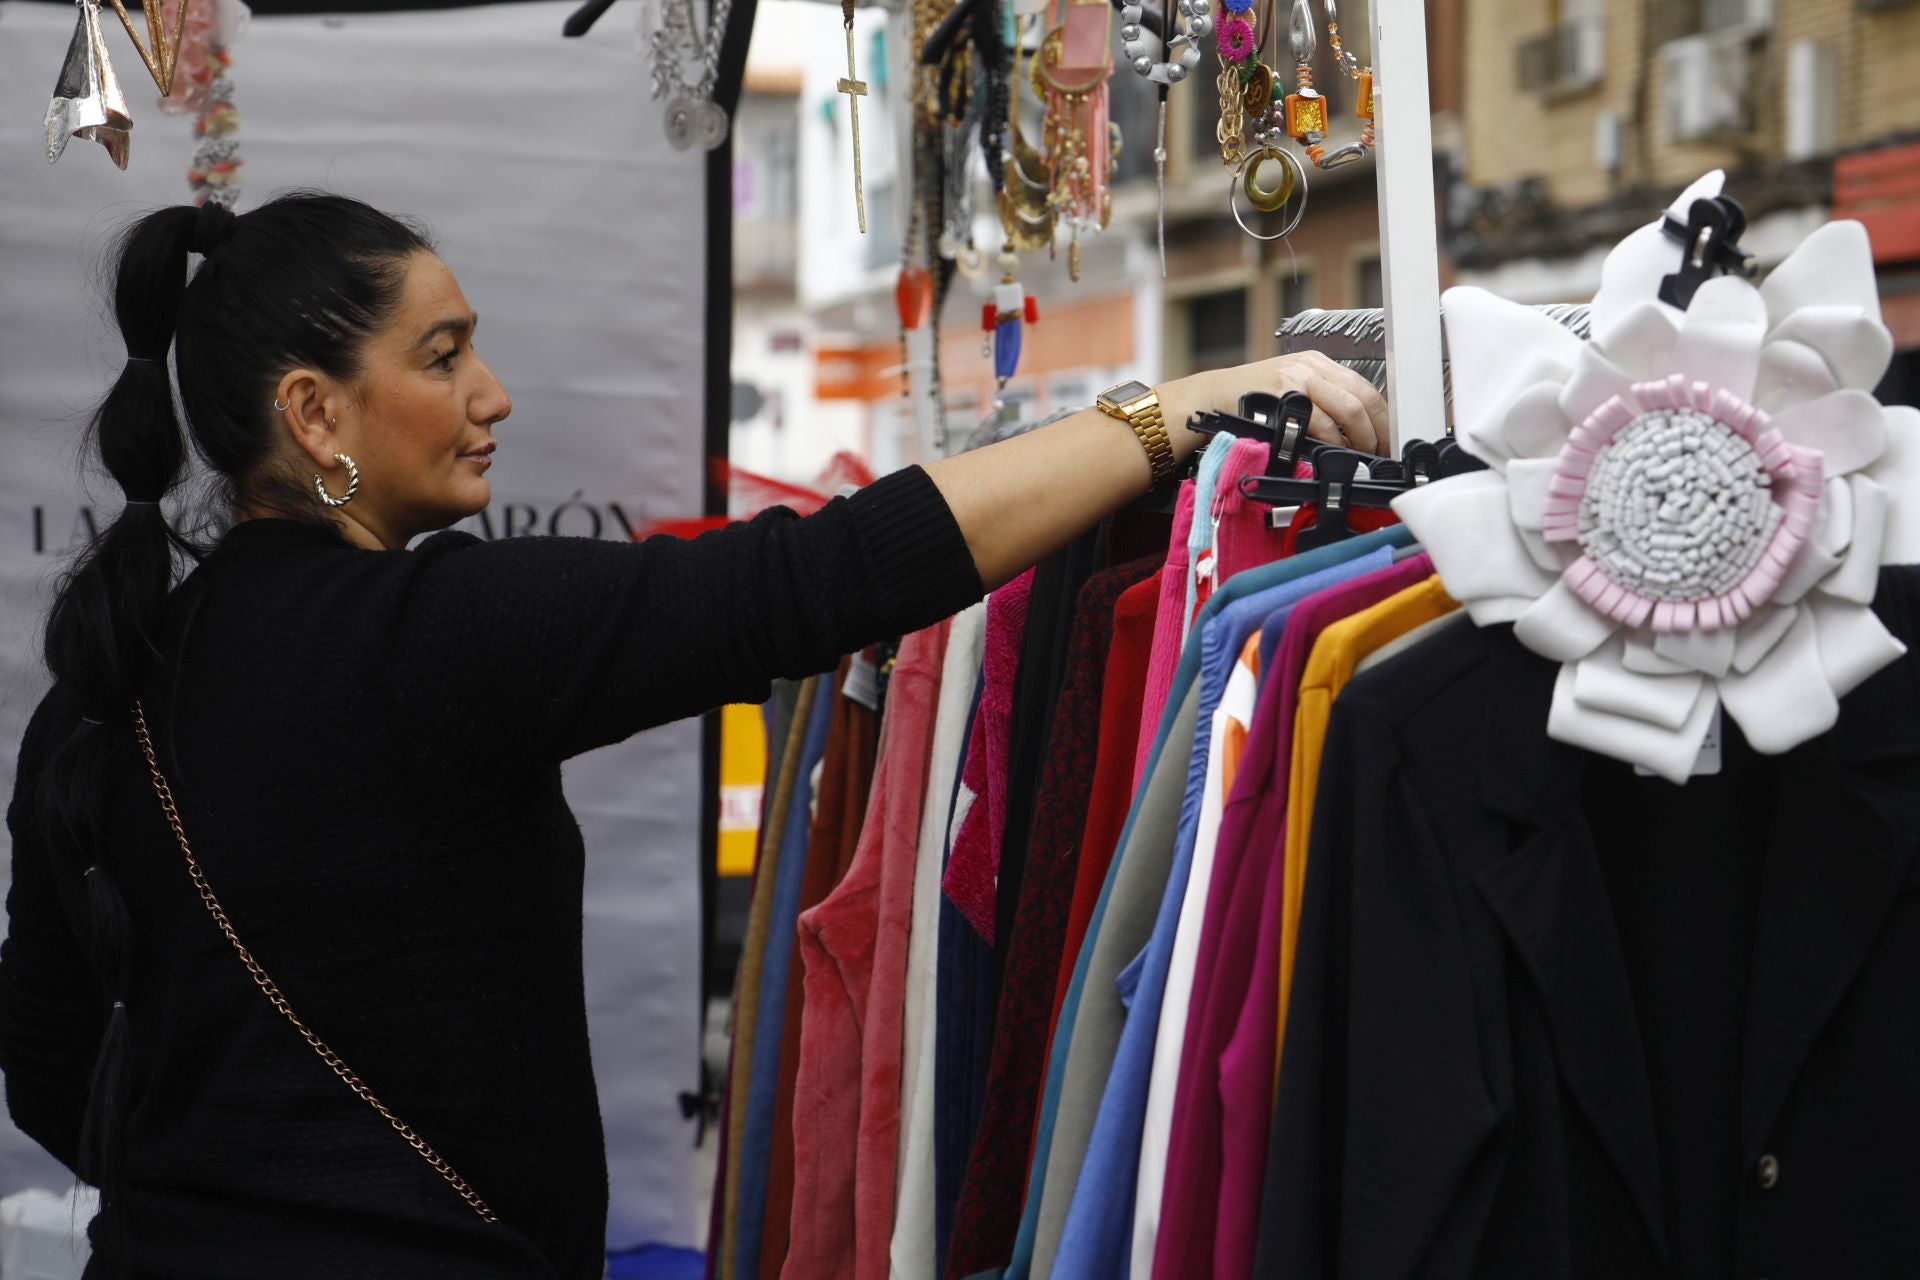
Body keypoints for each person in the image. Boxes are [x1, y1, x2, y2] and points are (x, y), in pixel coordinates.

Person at [0, 192, 1388, 1279]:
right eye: (444, 355)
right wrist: (1171, 415)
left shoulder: (94, 687)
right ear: (316, 415)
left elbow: (54, 1073)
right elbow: (829, 578)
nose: (491, 394)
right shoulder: (434, 633)